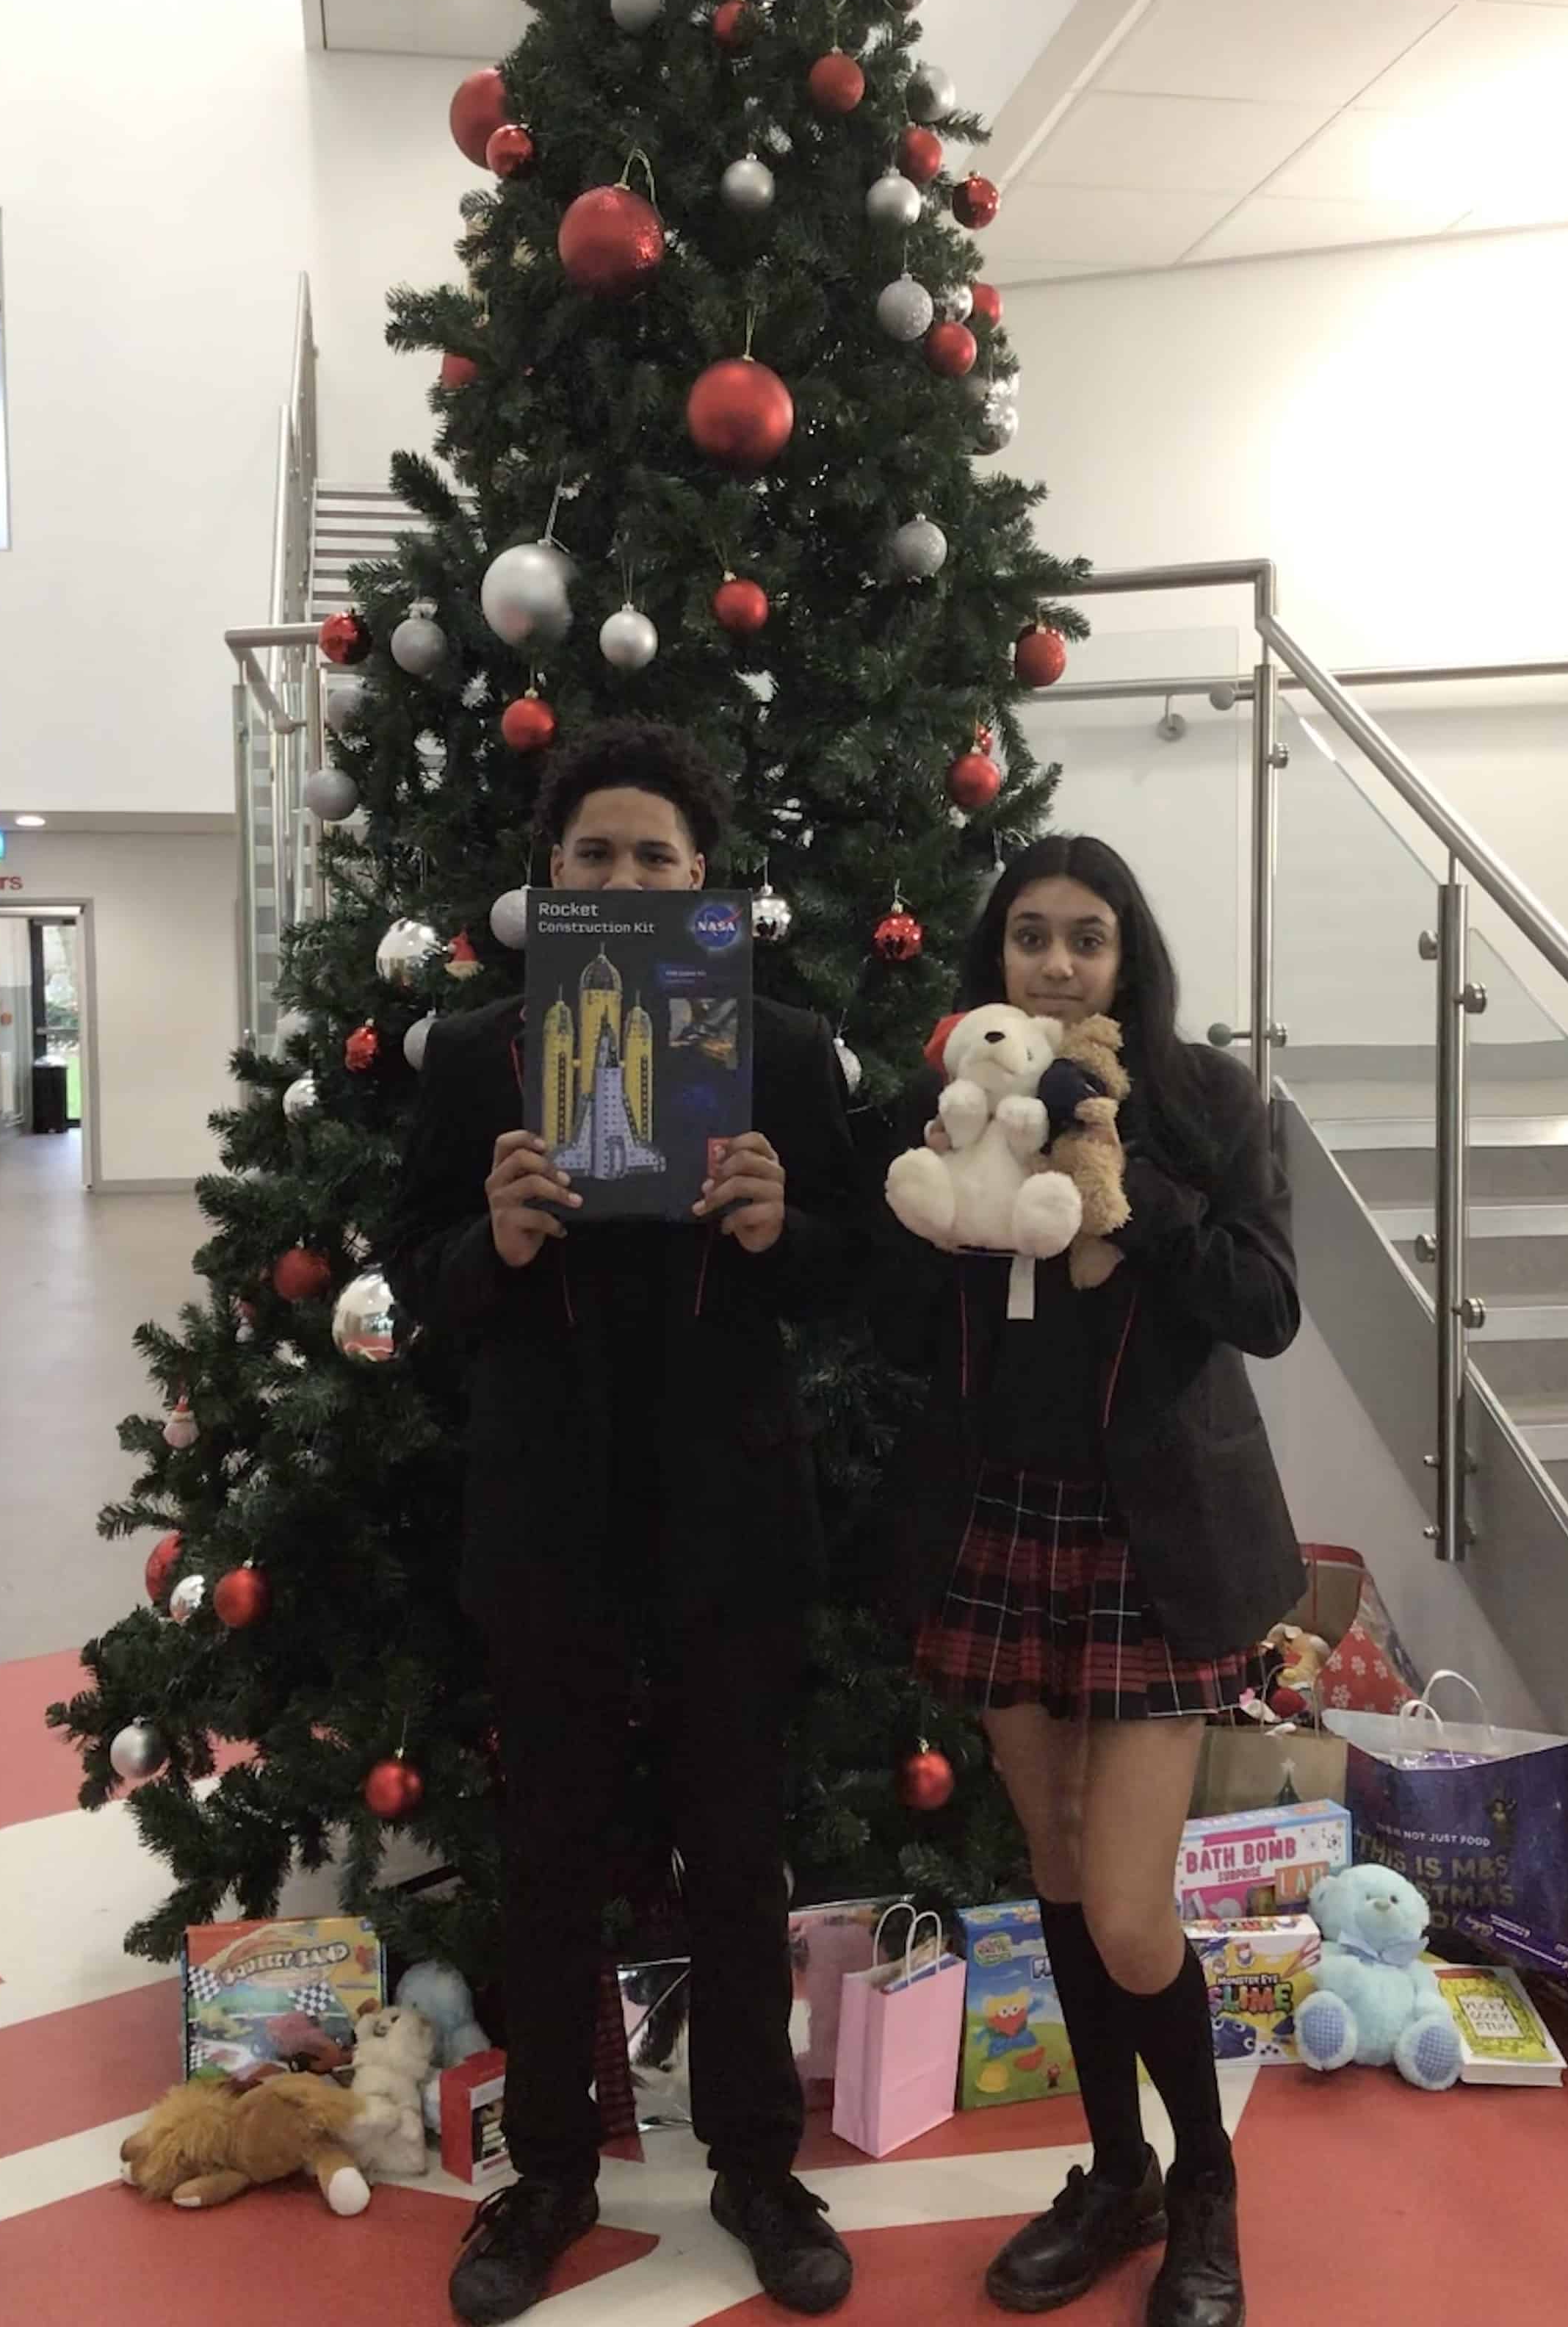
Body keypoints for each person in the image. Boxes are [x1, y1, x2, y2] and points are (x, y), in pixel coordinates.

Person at [387, 721, 861, 2326]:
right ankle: (552, 2173)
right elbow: (413, 1273)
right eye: (594, 854)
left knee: (738, 1854)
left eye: (656, 855)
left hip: (731, 1514)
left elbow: (849, 1276)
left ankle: (754, 2158)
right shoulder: (477, 1056)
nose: (625, 876)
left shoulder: (784, 1052)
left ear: (706, 879)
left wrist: (786, 1222)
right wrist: (492, 1241)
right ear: (550, 879)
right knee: (549, 1858)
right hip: (551, 1516)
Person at [873, 834, 1304, 2327]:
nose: (1056, 965)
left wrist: (1132, 1201)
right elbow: (906, 1304)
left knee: (1130, 1906)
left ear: (1129, 959)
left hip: (1153, 1544)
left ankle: (1205, 2188)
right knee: (1054, 1864)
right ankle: (1112, 2170)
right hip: (1001, 1524)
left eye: (1089, 940)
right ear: (998, 958)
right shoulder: (958, 1097)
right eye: (1032, 938)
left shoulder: (1204, 1100)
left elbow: (1268, 1305)